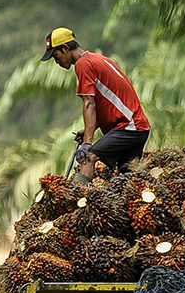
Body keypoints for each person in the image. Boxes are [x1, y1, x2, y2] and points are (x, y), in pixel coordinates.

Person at [41, 27, 150, 182]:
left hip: (129, 127)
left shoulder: (83, 64)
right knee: (125, 181)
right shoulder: (98, 59)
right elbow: (110, 104)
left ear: (65, 48)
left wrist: (87, 143)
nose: (56, 61)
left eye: (55, 55)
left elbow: (89, 104)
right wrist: (88, 130)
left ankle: (74, 201)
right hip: (139, 128)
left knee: (88, 157)